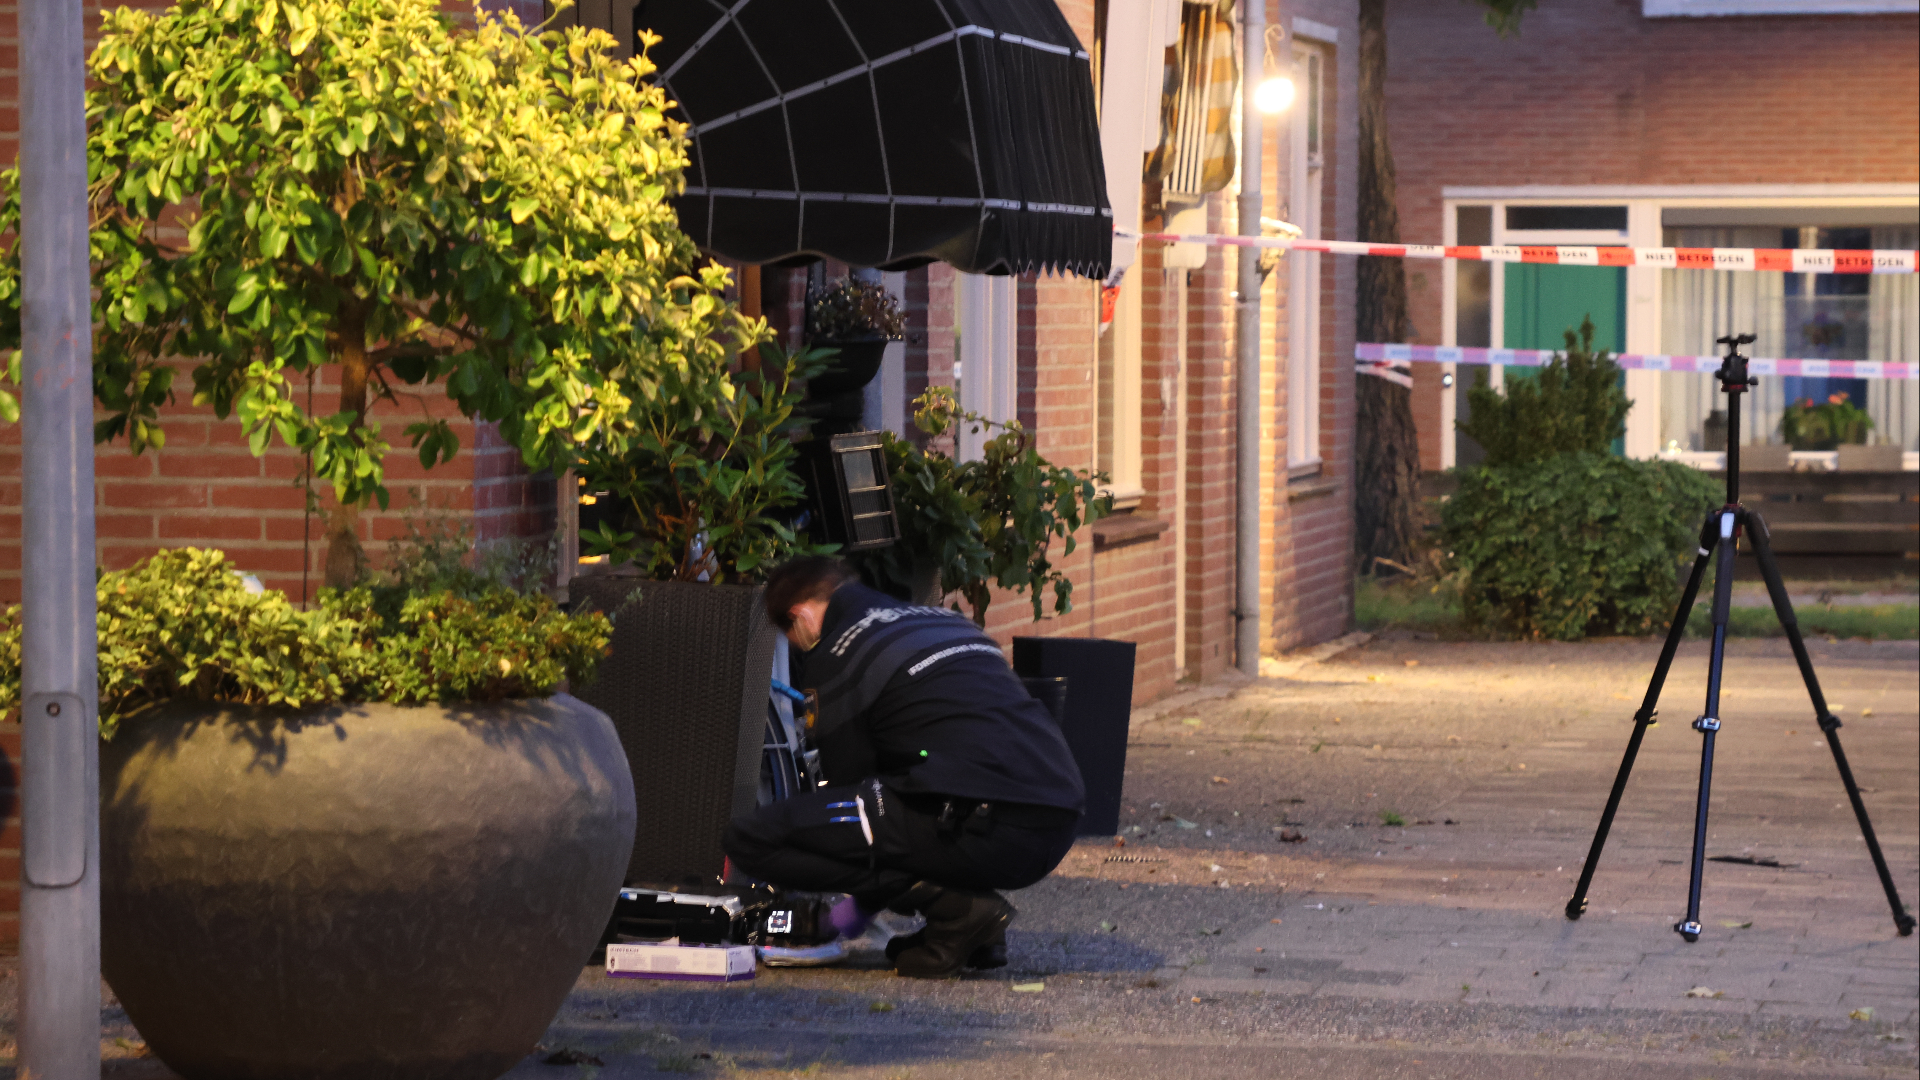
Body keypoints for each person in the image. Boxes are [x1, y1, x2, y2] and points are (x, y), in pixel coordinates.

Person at [722, 556, 1085, 978]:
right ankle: (970, 931)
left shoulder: (838, 653)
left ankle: (959, 911)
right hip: (1059, 818)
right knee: (916, 796)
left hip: (988, 825)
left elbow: (853, 809)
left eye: (789, 634)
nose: (796, 645)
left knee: (750, 838)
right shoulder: (947, 622)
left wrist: (845, 919)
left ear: (800, 616)